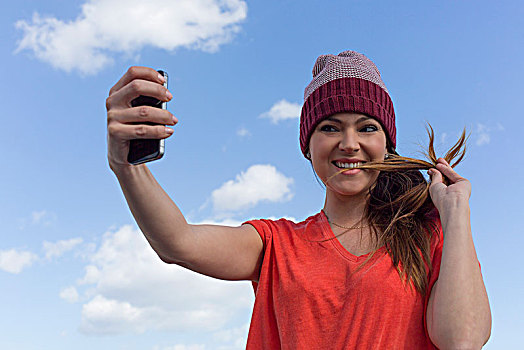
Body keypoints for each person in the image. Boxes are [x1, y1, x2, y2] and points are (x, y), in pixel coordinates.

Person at [106, 51, 491, 349]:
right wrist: (125, 164)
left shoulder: (431, 235)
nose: (350, 143)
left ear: (386, 144)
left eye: (367, 127)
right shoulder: (277, 244)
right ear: (308, 146)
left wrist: (456, 213)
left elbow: (462, 340)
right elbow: (177, 242)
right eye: (330, 127)